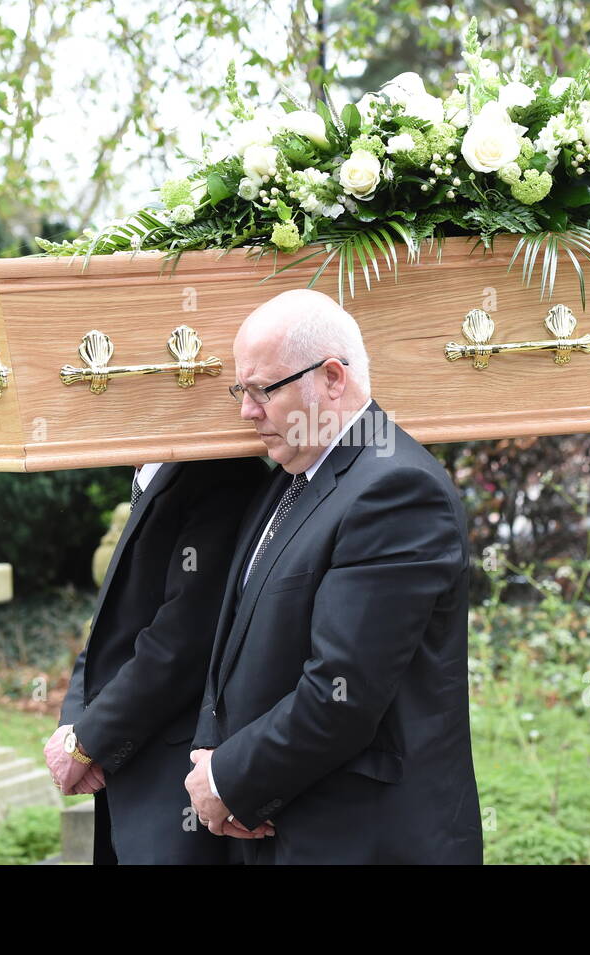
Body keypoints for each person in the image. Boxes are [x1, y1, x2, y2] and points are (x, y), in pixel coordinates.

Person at [184, 287, 483, 864]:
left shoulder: (395, 491)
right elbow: (235, 644)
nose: (247, 411)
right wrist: (212, 755)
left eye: (261, 391)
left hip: (362, 838)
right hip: (282, 820)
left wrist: (229, 780)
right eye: (239, 391)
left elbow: (341, 693)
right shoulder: (291, 475)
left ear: (331, 378)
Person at [46, 456, 266, 864]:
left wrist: (89, 741)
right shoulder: (155, 472)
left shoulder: (220, 473)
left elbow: (179, 643)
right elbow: (110, 630)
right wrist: (73, 728)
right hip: (128, 772)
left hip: (173, 782)